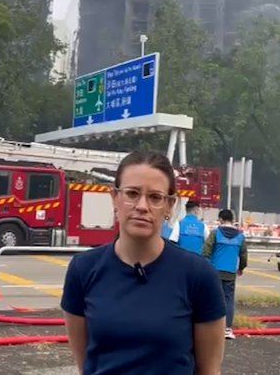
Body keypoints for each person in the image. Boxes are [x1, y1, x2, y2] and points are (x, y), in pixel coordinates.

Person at [60, 151, 226, 375]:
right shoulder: (83, 269)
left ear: (170, 205)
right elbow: (85, 364)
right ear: (115, 198)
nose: (142, 206)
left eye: (155, 197)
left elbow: (209, 370)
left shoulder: (199, 275)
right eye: (132, 193)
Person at [202, 209, 247, 340]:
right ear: (232, 220)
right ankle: (227, 329)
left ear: (221, 220)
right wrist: (241, 268)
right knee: (228, 300)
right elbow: (243, 255)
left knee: (212, 299)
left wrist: (206, 267)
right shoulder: (240, 236)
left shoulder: (215, 233)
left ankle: (212, 328)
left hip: (214, 271)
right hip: (230, 272)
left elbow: (206, 252)